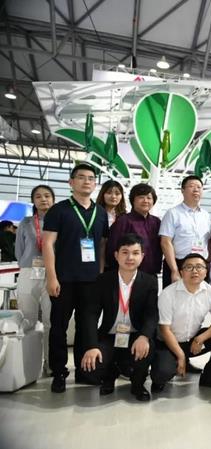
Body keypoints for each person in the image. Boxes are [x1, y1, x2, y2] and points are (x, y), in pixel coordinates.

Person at [43, 163, 109, 392]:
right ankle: (59, 372)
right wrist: (51, 277)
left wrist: (100, 273)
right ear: (71, 182)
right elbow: (48, 244)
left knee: (86, 326)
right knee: (59, 327)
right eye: (81, 177)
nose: (86, 181)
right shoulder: (59, 210)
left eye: (91, 178)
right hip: (64, 279)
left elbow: (102, 245)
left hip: (91, 281)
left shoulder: (101, 213)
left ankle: (85, 371)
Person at [80, 234, 158, 401]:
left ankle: (138, 384)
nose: (130, 257)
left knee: (147, 347)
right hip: (110, 335)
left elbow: (151, 314)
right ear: (116, 255)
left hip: (135, 334)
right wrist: (92, 346)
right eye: (125, 252)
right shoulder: (103, 280)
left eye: (135, 253)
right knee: (92, 367)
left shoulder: (149, 282)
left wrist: (144, 336)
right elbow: (91, 314)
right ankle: (109, 376)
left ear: (142, 256)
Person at [151, 253, 211, 392]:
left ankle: (210, 377)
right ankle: (166, 371)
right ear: (181, 272)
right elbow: (165, 330)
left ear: (206, 271)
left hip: (192, 342)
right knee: (162, 373)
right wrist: (181, 356)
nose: (195, 271)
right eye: (189, 267)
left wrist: (200, 339)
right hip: (168, 343)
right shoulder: (168, 293)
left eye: (199, 267)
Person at [15, 184, 55, 373]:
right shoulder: (26, 222)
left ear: (53, 199)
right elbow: (19, 250)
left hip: (52, 274)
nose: (43, 199)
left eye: (47, 195)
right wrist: (27, 262)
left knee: (50, 321)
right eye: (38, 196)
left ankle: (50, 363)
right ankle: (29, 366)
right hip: (28, 272)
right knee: (27, 320)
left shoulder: (60, 222)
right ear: (33, 201)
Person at [159, 175, 211, 288]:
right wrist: (174, 270)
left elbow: (208, 240)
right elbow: (165, 242)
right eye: (192, 186)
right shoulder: (172, 213)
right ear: (182, 190)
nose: (196, 190)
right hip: (179, 264)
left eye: (199, 187)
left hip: (200, 265)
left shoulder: (206, 215)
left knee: (200, 297)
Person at [106, 183, 162, 278]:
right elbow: (112, 248)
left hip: (151, 274)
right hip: (128, 274)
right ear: (133, 200)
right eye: (141, 197)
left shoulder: (156, 222)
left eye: (149, 198)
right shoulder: (123, 221)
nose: (145, 201)